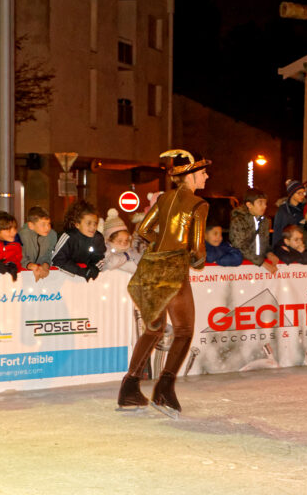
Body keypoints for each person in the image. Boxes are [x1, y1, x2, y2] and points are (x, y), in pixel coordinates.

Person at [119, 149, 211, 417]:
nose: (207, 176)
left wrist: (160, 246)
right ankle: (164, 390)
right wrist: (196, 262)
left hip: (152, 268)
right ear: (191, 176)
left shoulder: (164, 198)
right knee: (183, 331)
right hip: (174, 270)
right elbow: (197, 249)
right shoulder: (198, 204)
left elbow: (144, 230)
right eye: (203, 172)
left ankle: (130, 389)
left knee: (154, 329)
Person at [52, 200, 106, 281]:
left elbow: (99, 259)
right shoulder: (68, 237)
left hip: (85, 281)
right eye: (88, 223)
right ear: (77, 224)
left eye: (95, 223)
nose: (93, 227)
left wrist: (92, 270)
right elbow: (57, 260)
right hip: (63, 279)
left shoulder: (98, 238)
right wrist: (80, 271)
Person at [229, 188, 279, 274]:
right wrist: (262, 263)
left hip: (259, 268)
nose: (265, 206)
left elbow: (264, 244)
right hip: (242, 267)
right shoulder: (238, 220)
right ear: (249, 205)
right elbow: (240, 246)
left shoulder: (265, 221)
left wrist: (269, 254)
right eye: (260, 202)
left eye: (265, 203)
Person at [19, 206, 57, 281]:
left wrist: (46, 266)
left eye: (49, 223)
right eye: (43, 224)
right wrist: (32, 266)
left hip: (42, 275)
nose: (47, 228)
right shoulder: (22, 236)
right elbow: (19, 257)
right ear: (31, 225)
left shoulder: (52, 235)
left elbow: (49, 255)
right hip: (22, 277)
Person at [101, 208, 141, 274]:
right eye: (119, 241)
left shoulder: (129, 250)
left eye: (126, 240)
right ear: (110, 239)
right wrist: (126, 256)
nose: (123, 243)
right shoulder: (106, 249)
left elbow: (138, 261)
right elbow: (111, 263)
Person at [272, 180, 307, 247]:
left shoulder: (304, 209)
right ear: (292, 193)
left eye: (304, 193)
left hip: (301, 245)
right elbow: (277, 231)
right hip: (286, 246)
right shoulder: (283, 210)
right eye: (299, 193)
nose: (302, 196)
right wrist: (277, 248)